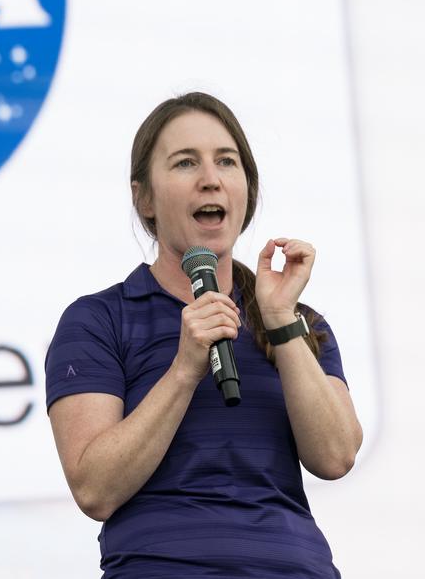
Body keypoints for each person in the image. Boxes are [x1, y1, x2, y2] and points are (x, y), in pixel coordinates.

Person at [45, 92, 363, 578]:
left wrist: (279, 320)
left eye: (227, 162)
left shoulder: (298, 320)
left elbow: (336, 455)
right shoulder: (98, 320)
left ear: (247, 190)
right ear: (144, 198)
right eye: (185, 163)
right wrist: (183, 370)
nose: (210, 179)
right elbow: (95, 489)